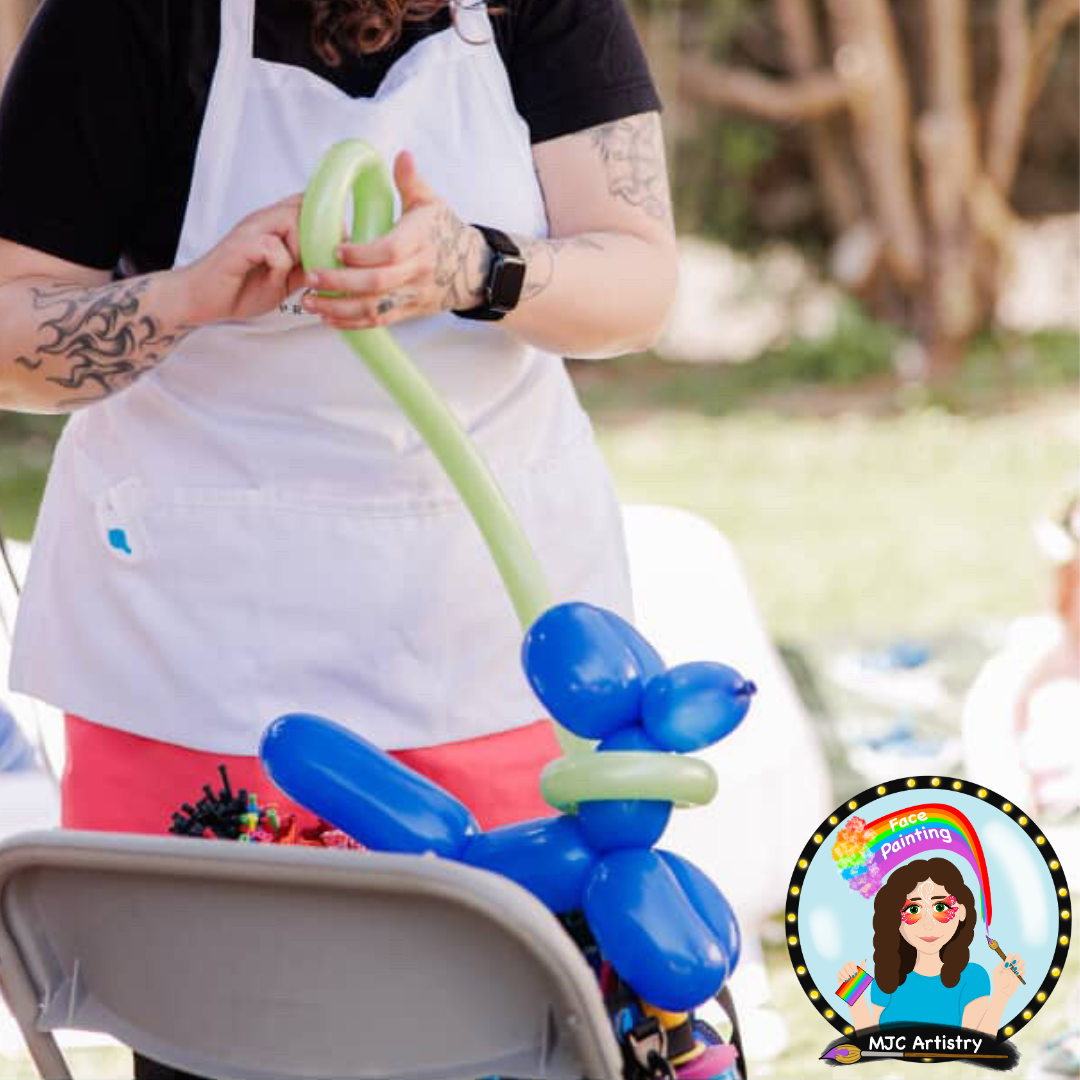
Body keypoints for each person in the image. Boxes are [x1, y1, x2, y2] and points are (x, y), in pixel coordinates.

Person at [0, 2, 676, 1072]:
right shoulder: (127, 22)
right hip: (194, 671)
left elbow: (640, 285)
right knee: (228, 1031)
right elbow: (9, 332)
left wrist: (478, 268)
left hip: (490, 655)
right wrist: (185, 299)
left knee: (497, 1025)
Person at [838, 858, 1024, 1033]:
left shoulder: (973, 978)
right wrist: (854, 995)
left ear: (961, 912)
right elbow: (873, 1046)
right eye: (913, 910)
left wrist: (1002, 995)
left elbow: (975, 1048)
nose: (928, 924)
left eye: (941, 908)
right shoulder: (886, 978)